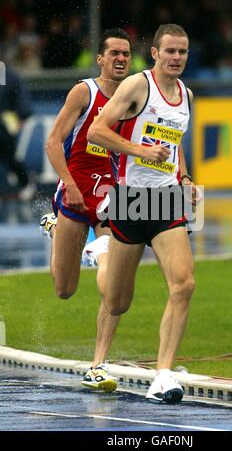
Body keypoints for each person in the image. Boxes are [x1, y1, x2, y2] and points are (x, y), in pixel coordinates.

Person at [87, 24, 197, 404]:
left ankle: (163, 375)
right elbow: (96, 132)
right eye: (170, 51)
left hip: (165, 202)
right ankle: (98, 254)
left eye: (182, 52)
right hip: (130, 201)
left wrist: (183, 177)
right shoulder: (137, 86)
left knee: (184, 284)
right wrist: (138, 151)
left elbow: (174, 143)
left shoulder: (186, 95)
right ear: (154, 53)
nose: (177, 58)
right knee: (118, 301)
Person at [39, 28, 132, 391]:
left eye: (126, 54)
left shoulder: (135, 98)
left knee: (114, 281)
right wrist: (71, 186)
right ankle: (55, 229)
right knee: (64, 289)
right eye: (114, 54)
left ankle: (98, 365)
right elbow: (52, 142)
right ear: (101, 58)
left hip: (112, 198)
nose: (121, 59)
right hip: (76, 191)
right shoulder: (85, 91)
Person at [0, 66, 35, 200]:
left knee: (9, 157)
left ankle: (26, 182)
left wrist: (21, 118)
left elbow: (22, 100)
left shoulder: (10, 76)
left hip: (7, 123)